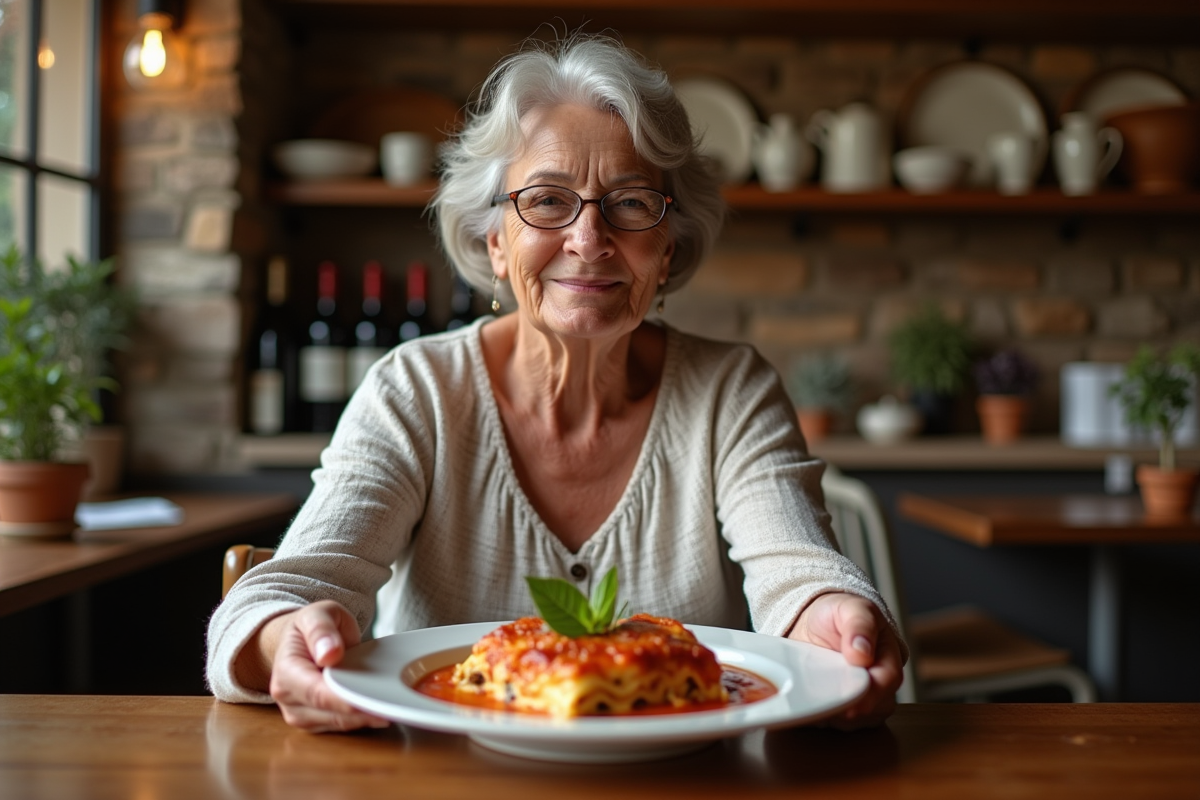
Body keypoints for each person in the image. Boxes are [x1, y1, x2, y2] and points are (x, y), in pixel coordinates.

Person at [207, 33, 906, 733]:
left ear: (667, 249)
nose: (588, 238)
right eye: (546, 201)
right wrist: (284, 639)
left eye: (631, 204)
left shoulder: (732, 390)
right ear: (495, 242)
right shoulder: (416, 390)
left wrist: (834, 619)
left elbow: (801, 574)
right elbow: (290, 589)